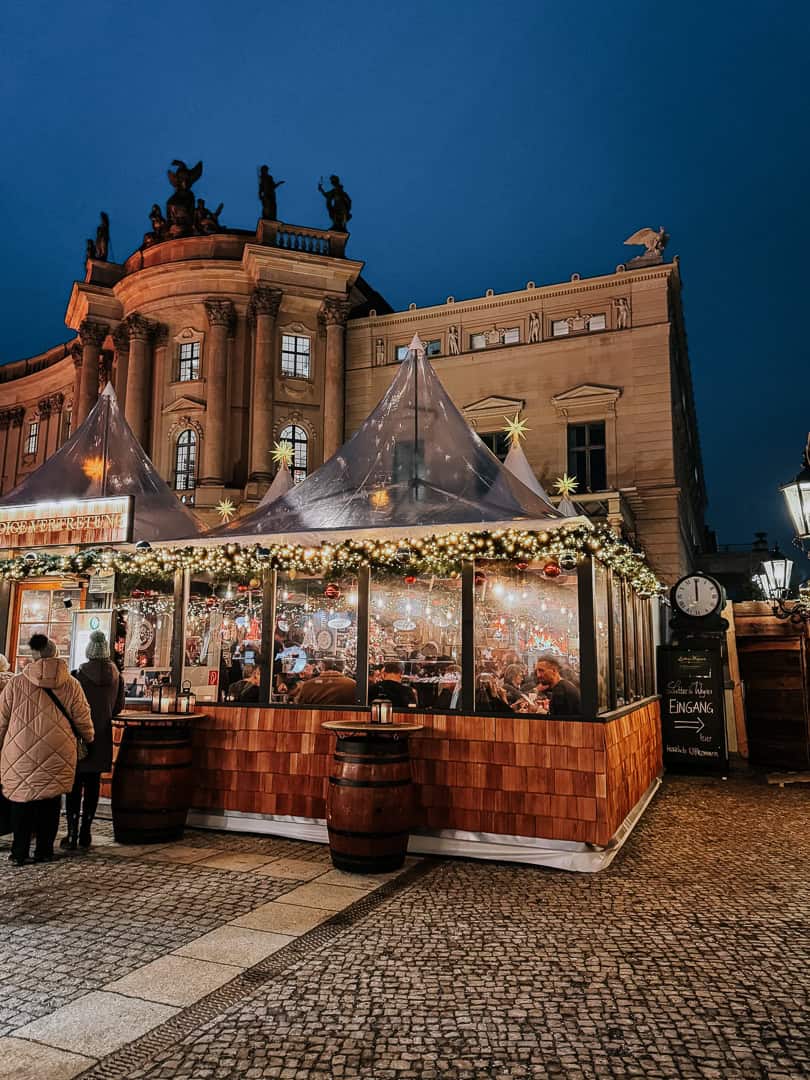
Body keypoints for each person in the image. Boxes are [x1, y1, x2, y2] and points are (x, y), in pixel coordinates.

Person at [0, 634, 93, 866]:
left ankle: (19, 852)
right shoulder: (72, 684)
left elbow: (1, 719)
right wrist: (88, 738)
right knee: (50, 801)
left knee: (21, 800)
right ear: (56, 654)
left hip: (19, 750)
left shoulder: (16, 682)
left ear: (34, 656)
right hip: (58, 750)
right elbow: (82, 717)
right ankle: (44, 850)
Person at [62, 630, 124, 850]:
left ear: (89, 651)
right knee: (92, 785)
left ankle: (71, 834)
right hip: (102, 737)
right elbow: (118, 707)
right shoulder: (117, 676)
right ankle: (86, 833)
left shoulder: (76, 675)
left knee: (73, 786)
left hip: (78, 737)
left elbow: (69, 707)